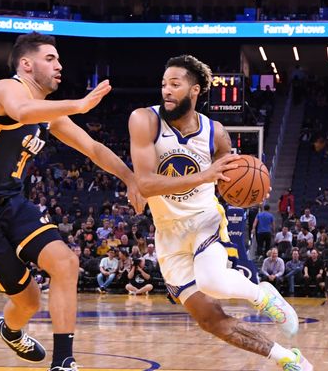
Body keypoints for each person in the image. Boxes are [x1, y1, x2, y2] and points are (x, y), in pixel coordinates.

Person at [0, 32, 145, 371]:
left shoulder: (48, 114)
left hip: (11, 202)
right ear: (26, 64)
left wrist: (129, 177)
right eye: (50, 58)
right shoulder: (5, 90)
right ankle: (10, 329)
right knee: (29, 301)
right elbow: (21, 111)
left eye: (59, 59)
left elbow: (92, 148)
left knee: (66, 263)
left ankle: (63, 361)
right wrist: (80, 104)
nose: (59, 65)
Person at [128, 55, 310, 370]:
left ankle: (263, 296)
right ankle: (287, 358)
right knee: (211, 320)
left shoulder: (216, 133)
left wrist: (251, 191)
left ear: (195, 90)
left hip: (205, 221)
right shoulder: (144, 120)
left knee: (212, 281)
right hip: (168, 235)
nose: (166, 90)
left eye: (175, 84)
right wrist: (203, 176)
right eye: (164, 84)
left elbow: (231, 182)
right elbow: (145, 184)